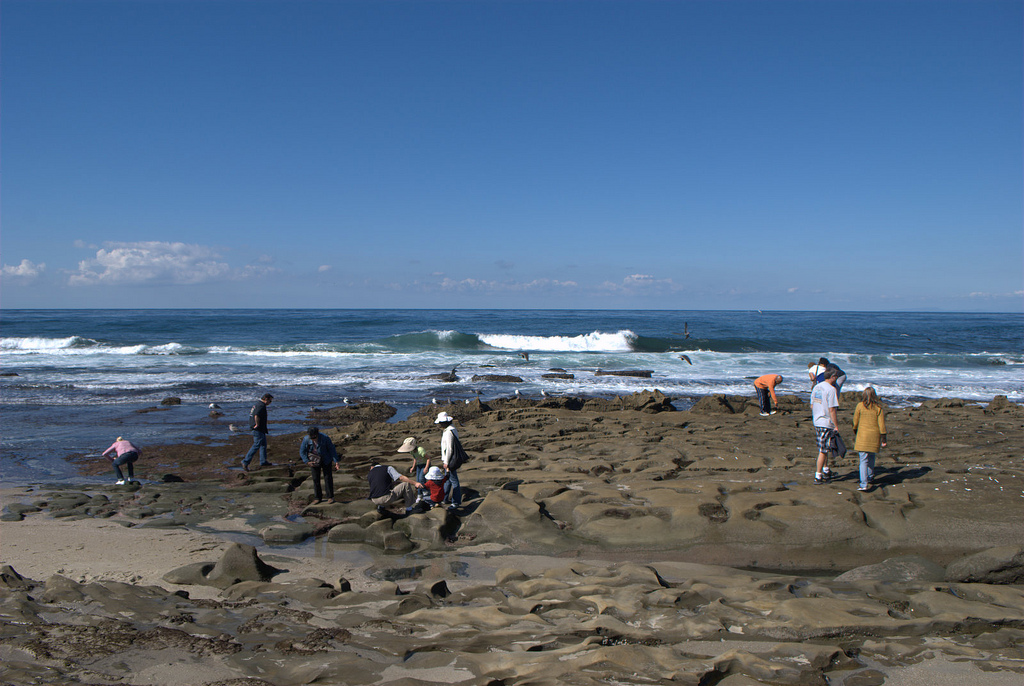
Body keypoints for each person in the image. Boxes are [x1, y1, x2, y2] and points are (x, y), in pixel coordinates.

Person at [810, 368, 841, 484]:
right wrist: (836, 425)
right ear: (832, 377)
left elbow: (812, 405)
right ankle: (818, 475)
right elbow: (832, 409)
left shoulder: (817, 387)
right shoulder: (831, 390)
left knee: (825, 446)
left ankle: (826, 469)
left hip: (817, 420)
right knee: (823, 450)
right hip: (825, 421)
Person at [853, 387, 887, 492]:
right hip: (874, 436)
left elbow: (855, 422)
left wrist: (855, 431)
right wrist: (884, 439)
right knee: (871, 457)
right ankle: (870, 476)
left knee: (863, 460)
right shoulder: (878, 407)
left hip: (862, 436)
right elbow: (882, 425)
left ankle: (864, 483)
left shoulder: (860, 406)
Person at [300, 427, 339, 504]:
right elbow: (302, 451)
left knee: (328, 478)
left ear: (317, 434)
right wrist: (307, 461)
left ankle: (330, 497)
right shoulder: (306, 439)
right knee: (315, 479)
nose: (313, 439)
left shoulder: (325, 438)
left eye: (314, 437)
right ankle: (317, 497)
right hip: (314, 460)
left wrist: (336, 461)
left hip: (326, 459)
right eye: (312, 437)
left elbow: (332, 449)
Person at [436, 411, 464, 510]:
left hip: (450, 459)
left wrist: (446, 462)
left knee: (453, 480)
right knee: (447, 479)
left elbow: (449, 449)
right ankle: (445, 498)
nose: (439, 425)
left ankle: (456, 502)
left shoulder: (448, 432)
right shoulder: (453, 429)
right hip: (451, 458)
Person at [241, 393, 273, 471]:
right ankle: (245, 461)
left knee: (263, 445)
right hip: (257, 429)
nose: (270, 403)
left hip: (260, 429)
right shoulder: (261, 405)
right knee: (257, 444)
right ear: (266, 399)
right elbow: (256, 415)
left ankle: (263, 461)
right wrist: (257, 424)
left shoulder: (258, 404)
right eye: (270, 401)